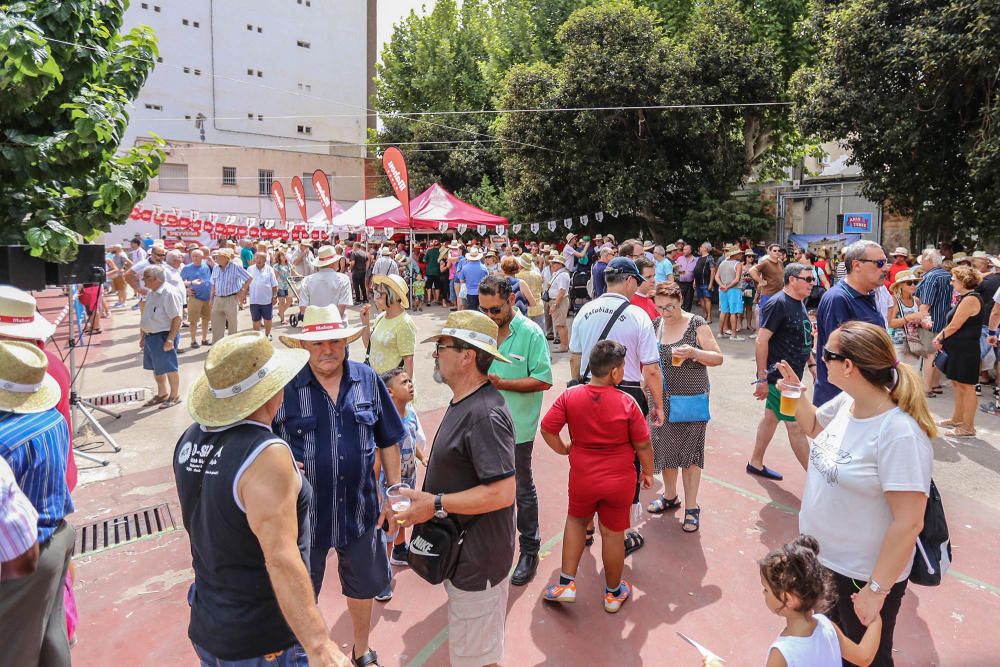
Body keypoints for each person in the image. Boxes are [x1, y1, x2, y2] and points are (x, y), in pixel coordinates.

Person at [173, 331, 349, 667]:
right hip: (261, 637)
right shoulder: (265, 455)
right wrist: (319, 645)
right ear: (271, 392)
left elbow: (221, 503)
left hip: (211, 620)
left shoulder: (190, 438)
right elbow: (281, 557)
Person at [776, 321, 933, 667]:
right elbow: (815, 426)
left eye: (826, 354)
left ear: (848, 366)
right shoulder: (850, 402)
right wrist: (795, 391)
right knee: (833, 652)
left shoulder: (899, 434)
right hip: (823, 560)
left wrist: (876, 591)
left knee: (866, 660)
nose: (820, 359)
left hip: (860, 575)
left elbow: (909, 523)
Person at [274, 307, 404, 667]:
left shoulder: (368, 379)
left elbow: (389, 439)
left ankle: (361, 649)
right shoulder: (284, 387)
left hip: (361, 510)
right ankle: (305, 654)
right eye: (318, 342)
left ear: (346, 342)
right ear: (304, 344)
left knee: (363, 587)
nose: (326, 349)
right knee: (300, 592)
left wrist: (394, 494)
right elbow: (260, 444)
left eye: (334, 340)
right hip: (303, 519)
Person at [392, 310, 516, 667]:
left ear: (467, 357)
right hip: (465, 556)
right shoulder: (465, 401)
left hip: (478, 562)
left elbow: (502, 493)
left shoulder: (484, 414)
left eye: (442, 347)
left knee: (475, 658)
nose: (435, 354)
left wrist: (436, 503)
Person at [540, 340, 653, 612]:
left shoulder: (571, 396)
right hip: (619, 480)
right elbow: (643, 444)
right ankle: (613, 594)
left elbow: (547, 429)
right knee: (613, 534)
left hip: (583, 477)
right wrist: (647, 471)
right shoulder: (628, 402)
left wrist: (565, 448)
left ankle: (566, 583)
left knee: (577, 523)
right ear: (615, 373)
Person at [569, 257, 664, 555]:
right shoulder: (637, 315)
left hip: (589, 389)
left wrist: (579, 389)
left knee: (586, 456)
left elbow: (574, 357)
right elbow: (650, 368)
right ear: (629, 281)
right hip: (627, 392)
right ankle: (619, 534)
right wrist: (658, 404)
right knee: (625, 464)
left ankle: (584, 526)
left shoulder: (585, 310)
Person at [0, 340, 74, 667]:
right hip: (56, 537)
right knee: (51, 636)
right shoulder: (51, 419)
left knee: (13, 652)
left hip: (21, 560)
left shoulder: (4, 439)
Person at [478, 275, 553, 587]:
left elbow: (544, 379)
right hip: (482, 422)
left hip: (516, 428)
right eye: (484, 310)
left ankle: (529, 550)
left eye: (494, 310)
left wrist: (503, 383)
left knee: (521, 487)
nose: (489, 316)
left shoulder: (531, 333)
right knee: (485, 485)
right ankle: (493, 546)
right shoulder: (483, 330)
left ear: (510, 300)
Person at [644, 282, 723, 532]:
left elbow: (718, 357)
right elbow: (648, 363)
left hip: (691, 399)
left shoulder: (696, 323)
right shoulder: (656, 326)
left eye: (670, 307)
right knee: (666, 452)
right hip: (661, 401)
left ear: (680, 301)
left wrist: (694, 352)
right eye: (659, 307)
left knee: (689, 456)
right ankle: (670, 496)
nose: (665, 312)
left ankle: (692, 507)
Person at [751, 535, 882, 667]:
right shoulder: (828, 626)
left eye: (766, 589)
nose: (763, 593)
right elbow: (864, 657)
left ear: (788, 599)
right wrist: (875, 620)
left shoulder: (781, 654)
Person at [746, 263, 816, 482]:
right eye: (808, 279)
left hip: (793, 377)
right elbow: (761, 340)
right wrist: (762, 378)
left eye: (812, 279)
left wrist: (812, 366)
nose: (812, 283)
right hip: (780, 380)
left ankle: (755, 462)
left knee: (770, 418)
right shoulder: (778, 304)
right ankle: (818, 480)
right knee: (796, 426)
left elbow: (801, 337)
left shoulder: (799, 302)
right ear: (792, 279)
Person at [813, 240, 887, 406]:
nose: (885, 269)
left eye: (885, 263)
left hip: (864, 396)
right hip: (842, 400)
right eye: (879, 263)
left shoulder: (868, 295)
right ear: (857, 265)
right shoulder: (838, 299)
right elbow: (837, 358)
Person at [375, 368, 426, 577]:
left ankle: (400, 548)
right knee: (389, 526)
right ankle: (383, 573)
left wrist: (423, 457)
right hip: (388, 485)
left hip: (408, 479)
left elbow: (413, 441)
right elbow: (379, 454)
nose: (410, 385)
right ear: (389, 393)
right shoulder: (384, 421)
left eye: (410, 381)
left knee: (403, 515)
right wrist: (377, 488)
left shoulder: (411, 414)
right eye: (404, 382)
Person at [933, 265, 983, 437]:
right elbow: (952, 324)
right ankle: (957, 419)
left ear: (963, 281)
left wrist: (939, 337)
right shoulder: (965, 297)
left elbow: (955, 325)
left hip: (965, 350)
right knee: (958, 384)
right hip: (959, 349)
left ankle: (968, 427)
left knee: (967, 387)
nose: (951, 282)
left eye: (954, 279)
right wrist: (941, 336)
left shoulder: (970, 299)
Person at [137, 265, 183, 409]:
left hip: (163, 336)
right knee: (157, 368)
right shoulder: (152, 292)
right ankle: (162, 393)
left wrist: (170, 339)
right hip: (151, 336)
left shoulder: (169, 293)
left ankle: (174, 396)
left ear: (155, 279)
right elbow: (148, 316)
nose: (144, 282)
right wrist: (143, 336)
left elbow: (177, 318)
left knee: (170, 368)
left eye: (146, 279)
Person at [359, 274, 417, 377]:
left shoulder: (405, 323)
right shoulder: (381, 317)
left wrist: (405, 389)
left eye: (382, 294)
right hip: (376, 382)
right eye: (377, 293)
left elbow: (408, 360)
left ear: (394, 296)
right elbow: (368, 345)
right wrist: (365, 323)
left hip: (392, 387)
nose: (377, 297)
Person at [915, 248, 954, 396]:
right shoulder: (946, 275)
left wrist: (921, 319)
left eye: (923, 259)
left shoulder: (931, 277)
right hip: (944, 319)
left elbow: (926, 304)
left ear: (929, 260)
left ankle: (926, 388)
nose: (921, 262)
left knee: (929, 355)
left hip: (931, 321)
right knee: (938, 352)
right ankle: (935, 384)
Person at [209, 248, 252, 343]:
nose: (216, 258)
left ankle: (232, 345)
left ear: (226, 258)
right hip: (218, 298)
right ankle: (216, 345)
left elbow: (249, 278)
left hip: (231, 298)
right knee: (216, 324)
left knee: (232, 325)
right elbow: (213, 283)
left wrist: (242, 291)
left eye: (219, 257)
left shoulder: (235, 266)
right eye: (216, 257)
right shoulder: (216, 267)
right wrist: (211, 299)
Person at [300, 246, 354, 318]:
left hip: (314, 324)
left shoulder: (307, 280)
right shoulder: (343, 279)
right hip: (337, 325)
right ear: (333, 263)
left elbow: (303, 308)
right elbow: (342, 306)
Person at [886, 270, 926, 368]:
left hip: (914, 341)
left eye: (915, 282)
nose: (913, 285)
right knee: (900, 373)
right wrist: (910, 317)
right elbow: (890, 323)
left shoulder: (916, 300)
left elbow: (921, 319)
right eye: (909, 283)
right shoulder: (894, 300)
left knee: (914, 373)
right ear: (900, 285)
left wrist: (923, 322)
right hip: (897, 342)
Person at [181, 249, 212, 349]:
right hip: (195, 297)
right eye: (193, 256)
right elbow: (179, 282)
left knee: (206, 319)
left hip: (207, 297)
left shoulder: (206, 266)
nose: (194, 258)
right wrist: (187, 289)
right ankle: (193, 340)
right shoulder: (187, 268)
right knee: (193, 321)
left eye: (197, 256)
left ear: (202, 257)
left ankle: (204, 339)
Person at [248, 251, 279, 339]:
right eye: (257, 258)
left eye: (261, 258)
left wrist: (274, 296)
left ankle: (267, 334)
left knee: (268, 319)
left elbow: (274, 284)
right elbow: (246, 283)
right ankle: (257, 337)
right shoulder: (250, 269)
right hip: (254, 299)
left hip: (266, 299)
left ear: (265, 260)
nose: (258, 260)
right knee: (255, 319)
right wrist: (243, 294)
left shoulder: (269, 269)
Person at [716, 247, 745, 339]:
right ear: (735, 255)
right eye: (739, 254)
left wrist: (722, 285)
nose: (741, 255)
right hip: (734, 289)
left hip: (723, 289)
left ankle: (720, 333)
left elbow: (717, 277)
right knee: (734, 312)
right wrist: (727, 286)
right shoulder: (738, 264)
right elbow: (737, 279)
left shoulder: (722, 263)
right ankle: (733, 335)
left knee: (723, 311)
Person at [750, 244, 786, 312]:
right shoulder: (766, 262)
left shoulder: (780, 262)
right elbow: (752, 270)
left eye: (779, 250)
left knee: (776, 317)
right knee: (765, 317)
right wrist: (760, 281)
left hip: (779, 294)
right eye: (774, 251)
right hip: (768, 295)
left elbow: (782, 275)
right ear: (769, 251)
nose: (777, 252)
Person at [548, 253, 572, 352]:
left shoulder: (562, 275)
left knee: (560, 324)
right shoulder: (559, 274)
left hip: (559, 301)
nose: (552, 265)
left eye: (555, 263)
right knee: (561, 324)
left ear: (560, 264)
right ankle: (565, 345)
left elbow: (562, 291)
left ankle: (563, 346)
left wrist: (554, 304)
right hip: (558, 300)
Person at [516, 253, 546, 331]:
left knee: (527, 335)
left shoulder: (517, 276)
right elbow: (541, 290)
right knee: (539, 333)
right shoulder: (537, 274)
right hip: (539, 306)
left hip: (526, 307)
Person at [457, 247, 489, 311]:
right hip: (482, 292)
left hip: (470, 292)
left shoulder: (465, 268)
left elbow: (461, 280)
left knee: (472, 311)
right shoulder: (483, 268)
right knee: (482, 311)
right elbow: (487, 279)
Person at [693, 242, 717, 324]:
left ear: (706, 248)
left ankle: (709, 316)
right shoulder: (699, 258)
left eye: (701, 247)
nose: (700, 248)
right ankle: (705, 314)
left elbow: (713, 271)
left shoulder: (709, 258)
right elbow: (696, 270)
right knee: (701, 299)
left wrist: (711, 283)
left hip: (705, 281)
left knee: (707, 298)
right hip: (698, 281)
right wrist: (694, 281)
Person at [274, 249, 295, 325]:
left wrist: (302, 276)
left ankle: (281, 312)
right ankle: (282, 319)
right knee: (282, 303)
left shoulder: (288, 265)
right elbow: (275, 277)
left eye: (284, 255)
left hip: (289, 286)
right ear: (279, 257)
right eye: (282, 255)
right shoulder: (276, 266)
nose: (284, 256)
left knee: (290, 301)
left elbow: (294, 272)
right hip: (280, 286)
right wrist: (274, 288)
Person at [741, 252, 759, 335]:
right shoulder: (740, 265)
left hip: (751, 288)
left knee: (749, 307)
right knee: (741, 307)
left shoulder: (756, 266)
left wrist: (752, 278)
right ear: (745, 257)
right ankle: (739, 325)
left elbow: (758, 277)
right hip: (742, 288)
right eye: (749, 256)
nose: (751, 258)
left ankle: (749, 324)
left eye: (752, 256)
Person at [677, 244, 698, 312]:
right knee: (679, 299)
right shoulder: (680, 258)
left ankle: (687, 315)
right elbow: (675, 269)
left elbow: (697, 272)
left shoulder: (696, 259)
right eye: (683, 249)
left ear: (690, 251)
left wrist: (695, 280)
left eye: (686, 249)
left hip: (690, 283)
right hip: (680, 283)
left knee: (688, 300)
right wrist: (678, 271)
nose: (684, 251)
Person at [424, 239, 443, 306]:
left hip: (429, 271)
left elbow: (424, 260)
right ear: (439, 245)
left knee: (429, 286)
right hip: (437, 271)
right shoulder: (441, 252)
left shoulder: (429, 251)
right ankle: (437, 300)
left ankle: (429, 300)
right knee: (437, 286)